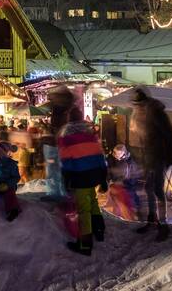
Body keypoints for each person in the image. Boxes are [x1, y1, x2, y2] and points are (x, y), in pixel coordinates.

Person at [59, 107, 109, 256]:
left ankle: (85, 245)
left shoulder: (66, 133)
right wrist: (103, 178)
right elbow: (100, 156)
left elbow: (66, 159)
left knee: (83, 210)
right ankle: (99, 231)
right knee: (93, 201)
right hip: (95, 173)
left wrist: (66, 178)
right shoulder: (90, 132)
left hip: (79, 175)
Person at [130, 87, 172, 241]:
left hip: (159, 156)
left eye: (139, 104)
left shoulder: (156, 114)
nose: (136, 107)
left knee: (157, 189)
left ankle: (163, 225)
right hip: (149, 157)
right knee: (148, 187)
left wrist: (170, 156)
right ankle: (152, 219)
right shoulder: (140, 115)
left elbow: (170, 134)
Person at [109, 144, 142, 219]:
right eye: (116, 154)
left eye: (119, 154)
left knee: (130, 199)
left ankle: (134, 213)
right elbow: (112, 171)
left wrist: (125, 182)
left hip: (128, 184)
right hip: (118, 183)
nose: (117, 156)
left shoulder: (129, 162)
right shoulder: (114, 159)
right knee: (118, 200)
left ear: (124, 153)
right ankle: (119, 215)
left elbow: (130, 173)